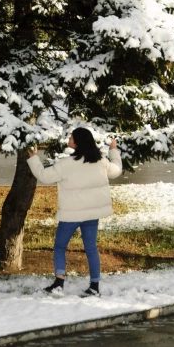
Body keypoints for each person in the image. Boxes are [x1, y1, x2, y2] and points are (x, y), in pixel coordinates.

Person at [27, 127, 122, 297]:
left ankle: (59, 283)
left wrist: (33, 158)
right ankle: (94, 287)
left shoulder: (65, 164)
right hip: (91, 215)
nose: (68, 139)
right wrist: (113, 150)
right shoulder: (100, 161)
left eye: (71, 137)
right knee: (91, 248)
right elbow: (116, 171)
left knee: (60, 246)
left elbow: (43, 176)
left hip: (71, 214)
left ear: (77, 142)